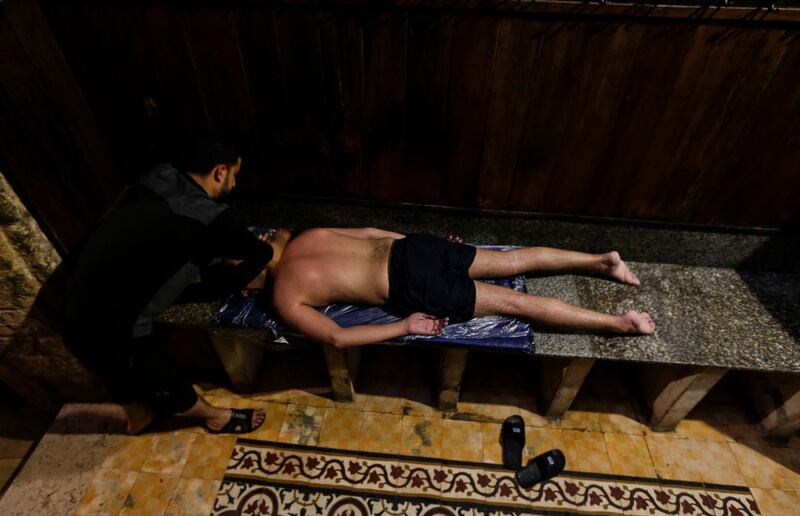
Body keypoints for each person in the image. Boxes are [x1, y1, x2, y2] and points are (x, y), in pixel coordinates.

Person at [62, 137, 290, 434]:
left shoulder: (157, 177)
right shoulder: (208, 216)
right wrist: (282, 237)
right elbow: (265, 255)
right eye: (234, 176)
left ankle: (138, 417)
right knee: (158, 375)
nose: (234, 184)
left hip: (72, 302)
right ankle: (214, 416)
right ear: (220, 172)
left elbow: (168, 239)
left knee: (116, 373)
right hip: (113, 323)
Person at [254, 228, 654, 348]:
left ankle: (620, 324)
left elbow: (339, 338)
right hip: (415, 249)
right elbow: (374, 233)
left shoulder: (284, 297)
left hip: (409, 282)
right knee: (512, 258)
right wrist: (425, 242)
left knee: (514, 303)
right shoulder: (305, 238)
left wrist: (404, 326)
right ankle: (602, 260)